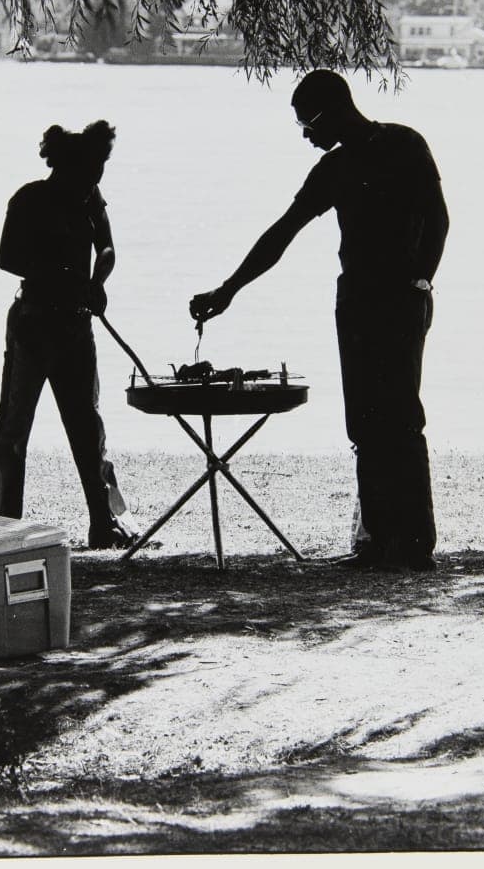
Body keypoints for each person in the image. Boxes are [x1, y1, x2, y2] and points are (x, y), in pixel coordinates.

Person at [190, 70, 449, 571]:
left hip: (399, 298)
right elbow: (281, 234)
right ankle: (377, 542)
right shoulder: (335, 168)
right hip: (355, 300)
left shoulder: (405, 144)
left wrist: (421, 279)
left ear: (330, 112)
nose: (306, 135)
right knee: (364, 420)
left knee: (399, 416)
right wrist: (229, 290)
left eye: (307, 124)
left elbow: (437, 216)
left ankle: (414, 545)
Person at [0, 120, 138, 549]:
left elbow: (107, 248)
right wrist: (66, 278)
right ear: (65, 166)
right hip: (33, 323)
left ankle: (103, 521)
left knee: (86, 423)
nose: (95, 181)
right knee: (13, 424)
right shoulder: (29, 199)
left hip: (76, 326)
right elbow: (8, 259)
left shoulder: (91, 197)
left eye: (100, 171)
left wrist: (97, 281)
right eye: (89, 171)